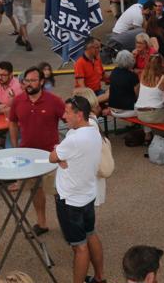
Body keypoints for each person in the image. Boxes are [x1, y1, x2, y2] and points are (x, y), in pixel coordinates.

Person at [50, 96, 105, 283]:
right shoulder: (93, 131)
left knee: (79, 247)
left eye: (67, 112)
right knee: (91, 234)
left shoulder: (72, 140)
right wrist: (63, 156)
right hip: (88, 195)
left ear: (79, 115)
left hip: (70, 200)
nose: (64, 116)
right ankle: (99, 277)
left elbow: (52, 157)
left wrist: (60, 155)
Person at [9, 66, 65, 236]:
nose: (29, 84)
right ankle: (42, 223)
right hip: (28, 156)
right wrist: (14, 146)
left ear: (42, 82)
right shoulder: (18, 101)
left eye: (33, 80)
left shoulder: (54, 101)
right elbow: (12, 121)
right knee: (35, 190)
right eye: (26, 80)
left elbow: (70, 120)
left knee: (58, 193)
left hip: (51, 156)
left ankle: (67, 226)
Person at [105, 50, 139, 117]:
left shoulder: (114, 71)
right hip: (127, 111)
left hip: (113, 109)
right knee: (147, 110)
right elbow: (137, 94)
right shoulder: (132, 75)